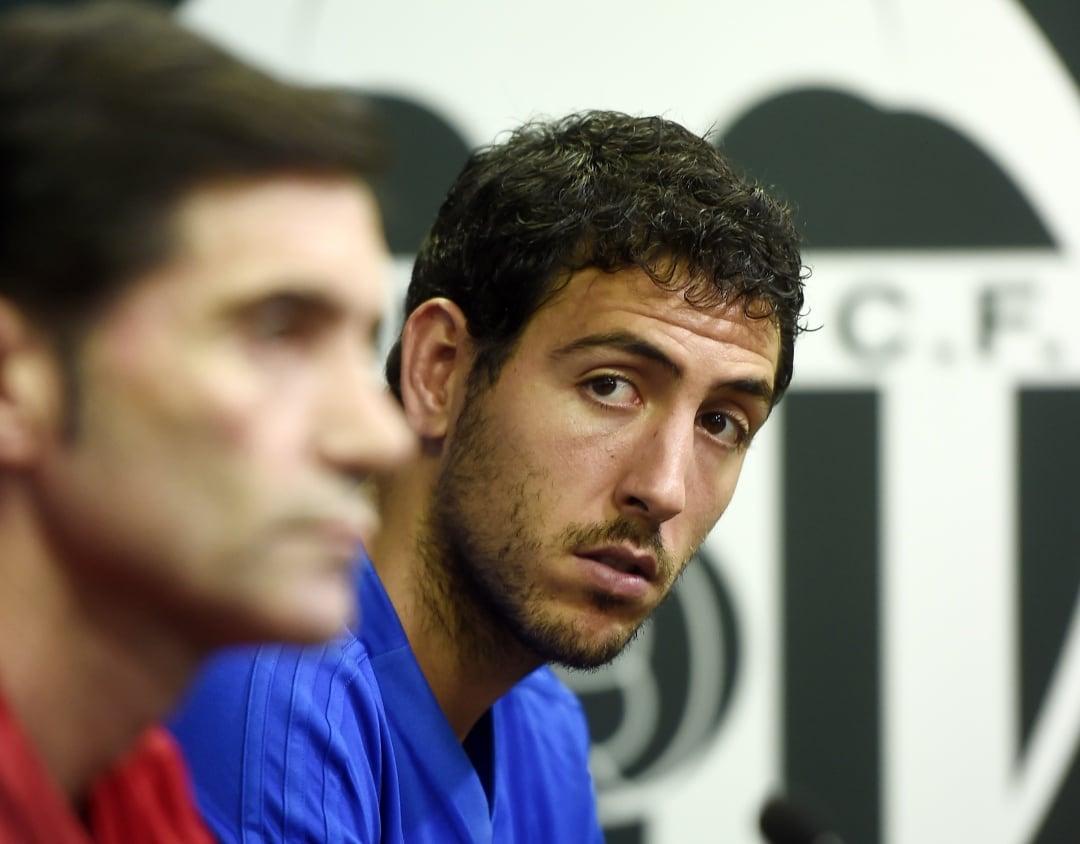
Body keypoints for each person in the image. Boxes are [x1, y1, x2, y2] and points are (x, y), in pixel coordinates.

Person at [172, 109, 806, 842]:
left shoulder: (544, 730)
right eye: (610, 385)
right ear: (440, 371)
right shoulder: (273, 687)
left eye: (720, 422)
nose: (663, 489)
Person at [0, 2, 414, 841]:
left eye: (356, 346)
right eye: (276, 330)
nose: (378, 439)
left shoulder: (132, 788)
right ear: (14, 382)